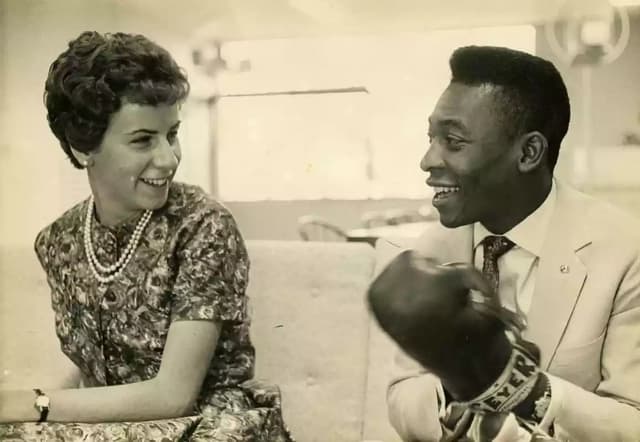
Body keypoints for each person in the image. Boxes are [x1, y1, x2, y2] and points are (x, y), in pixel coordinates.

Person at [0, 31, 292, 441]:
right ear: (84, 147)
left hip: (208, 426)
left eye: (171, 134)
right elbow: (91, 374)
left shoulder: (203, 225)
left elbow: (173, 396)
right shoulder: (57, 241)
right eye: (142, 140)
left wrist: (33, 403)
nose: (168, 158)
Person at [377, 46, 640, 441]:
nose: (428, 159)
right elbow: (403, 395)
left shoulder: (624, 251)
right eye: (431, 137)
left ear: (529, 152)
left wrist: (517, 386)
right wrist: (454, 386)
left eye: (453, 140)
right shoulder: (431, 251)